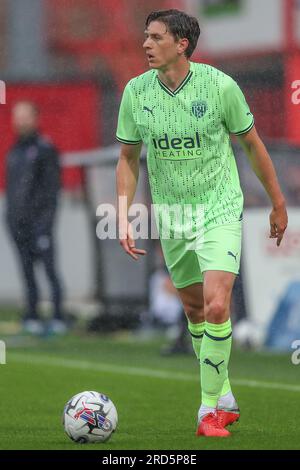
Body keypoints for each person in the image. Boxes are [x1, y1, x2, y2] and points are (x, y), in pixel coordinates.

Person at [116, 10, 288, 437]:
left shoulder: (220, 87)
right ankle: (224, 392)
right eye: (145, 36)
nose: (146, 45)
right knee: (193, 309)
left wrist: (277, 202)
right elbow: (127, 158)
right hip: (172, 214)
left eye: (156, 38)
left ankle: (208, 410)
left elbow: (251, 144)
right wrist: (124, 211)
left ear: (181, 44)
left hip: (219, 208)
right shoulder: (136, 93)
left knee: (216, 304)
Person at [5, 101, 66, 335]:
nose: (19, 121)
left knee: (49, 270)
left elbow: (52, 191)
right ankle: (32, 314)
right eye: (16, 117)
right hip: (17, 224)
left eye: (24, 116)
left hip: (40, 225)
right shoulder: (15, 150)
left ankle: (58, 315)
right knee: (26, 271)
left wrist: (45, 224)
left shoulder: (45, 149)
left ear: (35, 118)